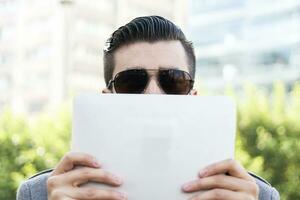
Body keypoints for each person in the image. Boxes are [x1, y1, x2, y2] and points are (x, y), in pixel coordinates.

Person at [17, 16, 279, 200]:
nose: (153, 93)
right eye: (131, 81)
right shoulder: (43, 193)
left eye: (174, 81)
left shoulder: (252, 195)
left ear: (193, 95)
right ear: (108, 96)